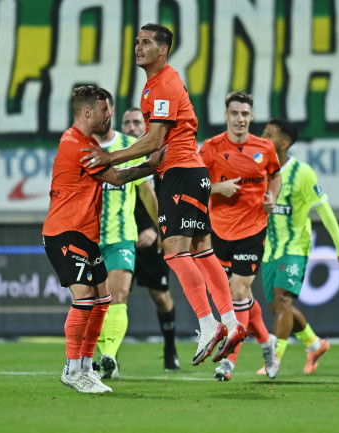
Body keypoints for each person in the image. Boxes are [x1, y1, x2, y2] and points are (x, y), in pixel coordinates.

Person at [81, 23, 247, 366]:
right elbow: (157, 148)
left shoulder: (163, 85)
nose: (138, 47)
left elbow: (155, 141)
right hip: (190, 172)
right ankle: (231, 323)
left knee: (174, 252)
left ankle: (208, 323)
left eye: (146, 43)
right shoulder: (156, 85)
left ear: (163, 50)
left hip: (181, 174)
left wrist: (111, 157)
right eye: (137, 42)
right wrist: (126, 170)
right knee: (202, 251)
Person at [42, 85, 164, 394]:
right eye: (103, 110)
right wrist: (152, 163)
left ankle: (87, 367)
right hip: (64, 233)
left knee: (103, 300)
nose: (109, 114)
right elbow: (118, 177)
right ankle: (72, 369)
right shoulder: (75, 144)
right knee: (85, 298)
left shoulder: (87, 143)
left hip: (85, 234)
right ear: (87, 112)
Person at [258, 118, 339, 375]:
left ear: (284, 144)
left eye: (269, 135)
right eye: (263, 133)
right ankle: (315, 344)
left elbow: (323, 209)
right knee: (278, 308)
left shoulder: (302, 173)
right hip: (269, 248)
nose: (263, 138)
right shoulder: (258, 167)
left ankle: (273, 360)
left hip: (295, 247)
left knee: (282, 299)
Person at [199, 91, 281, 381]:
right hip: (219, 231)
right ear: (226, 115)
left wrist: (272, 196)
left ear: (252, 116)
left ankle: (228, 361)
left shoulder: (265, 147)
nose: (240, 119)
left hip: (253, 230)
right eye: (235, 113)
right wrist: (217, 189)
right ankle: (267, 343)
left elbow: (275, 175)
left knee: (236, 292)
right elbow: (193, 182)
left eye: (245, 114)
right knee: (241, 296)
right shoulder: (211, 148)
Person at [91, 93, 160, 379]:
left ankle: (108, 356)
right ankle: (106, 357)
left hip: (121, 238)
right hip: (88, 240)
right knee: (95, 305)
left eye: (105, 109)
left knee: (118, 297)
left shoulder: (129, 147)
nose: (102, 115)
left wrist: (160, 229)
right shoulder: (78, 147)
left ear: (112, 111)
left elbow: (146, 192)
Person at [123, 106, 180, 371]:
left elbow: (170, 198)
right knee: (114, 298)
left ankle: (170, 350)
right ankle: (110, 356)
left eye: (137, 122)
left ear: (146, 127)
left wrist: (157, 230)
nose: (131, 127)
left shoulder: (160, 158)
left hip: (152, 239)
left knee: (161, 297)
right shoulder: (116, 157)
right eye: (127, 122)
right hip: (120, 238)